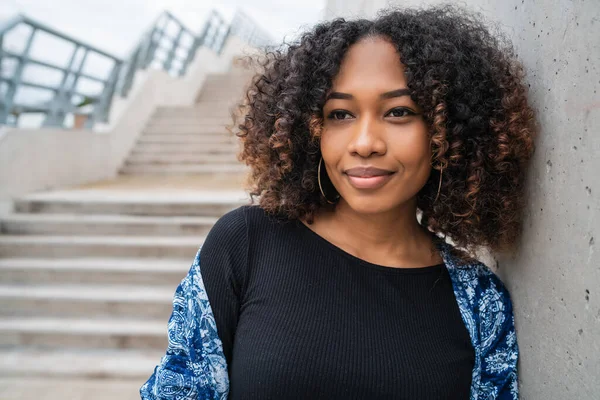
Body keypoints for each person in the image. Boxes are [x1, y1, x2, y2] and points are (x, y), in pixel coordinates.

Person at [140, 4, 535, 400]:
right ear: (311, 131)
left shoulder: (478, 301)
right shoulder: (245, 244)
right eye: (341, 114)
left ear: (449, 131)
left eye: (398, 112)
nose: (364, 143)